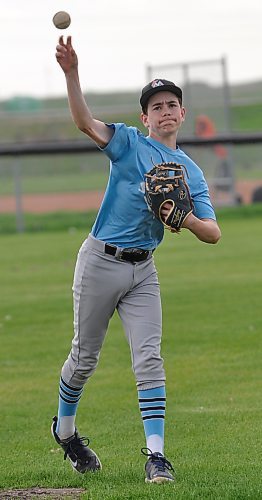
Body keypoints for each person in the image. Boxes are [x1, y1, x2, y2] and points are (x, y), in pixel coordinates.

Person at [51, 35, 221, 484]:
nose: (165, 110)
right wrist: (72, 73)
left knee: (149, 358)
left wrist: (183, 218)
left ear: (182, 114)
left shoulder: (192, 171)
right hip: (100, 261)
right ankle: (65, 430)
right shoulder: (128, 142)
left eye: (172, 104)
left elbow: (213, 232)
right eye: (157, 106)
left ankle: (156, 456)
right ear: (146, 118)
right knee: (84, 357)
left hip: (143, 270)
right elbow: (84, 121)